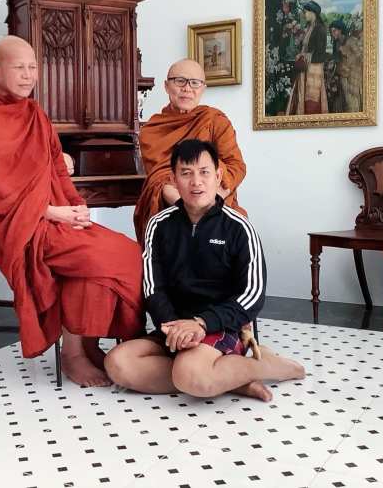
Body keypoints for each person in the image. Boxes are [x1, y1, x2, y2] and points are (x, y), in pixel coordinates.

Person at [0, 35, 145, 387]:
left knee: (127, 252)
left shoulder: (34, 112)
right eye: (19, 68)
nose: (28, 76)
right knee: (99, 257)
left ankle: (85, 348)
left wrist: (75, 206)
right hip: (16, 225)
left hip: (54, 214)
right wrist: (52, 213)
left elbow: (55, 170)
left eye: (33, 68)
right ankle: (72, 354)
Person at [106, 139, 305, 400]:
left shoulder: (238, 227)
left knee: (190, 374)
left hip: (219, 326)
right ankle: (231, 380)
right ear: (174, 179)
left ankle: (268, 365)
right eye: (186, 173)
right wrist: (172, 327)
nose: (196, 182)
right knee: (118, 364)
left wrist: (202, 323)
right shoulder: (159, 225)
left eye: (204, 172)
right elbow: (153, 287)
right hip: (175, 327)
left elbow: (252, 294)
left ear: (218, 177)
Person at [134, 58, 246, 245]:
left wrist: (211, 204)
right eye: (180, 81)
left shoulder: (215, 121)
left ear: (203, 88)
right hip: (171, 207)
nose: (187, 88)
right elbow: (158, 181)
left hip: (216, 205)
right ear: (167, 86)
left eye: (195, 83)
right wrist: (187, 207)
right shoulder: (152, 130)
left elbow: (236, 167)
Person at [286, 0, 328, 115]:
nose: (304, 15)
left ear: (313, 13)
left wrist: (305, 55)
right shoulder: (309, 27)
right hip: (305, 68)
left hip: (314, 68)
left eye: (306, 12)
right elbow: (305, 47)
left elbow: (320, 53)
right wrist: (301, 54)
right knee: (302, 95)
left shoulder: (320, 29)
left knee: (312, 98)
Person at [329, 19, 363, 113]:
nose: (332, 34)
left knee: (352, 100)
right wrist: (333, 61)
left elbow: (361, 57)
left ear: (341, 30)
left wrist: (347, 56)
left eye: (334, 31)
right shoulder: (336, 43)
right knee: (343, 100)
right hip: (342, 75)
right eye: (331, 31)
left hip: (353, 75)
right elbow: (336, 57)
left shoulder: (351, 41)